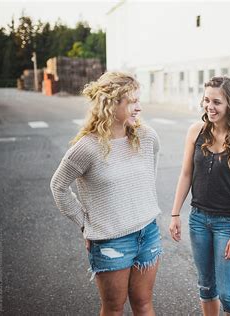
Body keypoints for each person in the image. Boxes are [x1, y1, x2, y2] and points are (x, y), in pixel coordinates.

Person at [50, 72, 162, 316]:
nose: (139, 108)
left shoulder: (147, 136)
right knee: (113, 308)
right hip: (111, 240)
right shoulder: (86, 148)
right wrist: (84, 225)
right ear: (112, 104)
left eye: (138, 100)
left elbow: (147, 179)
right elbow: (58, 186)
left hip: (148, 232)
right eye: (132, 102)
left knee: (144, 304)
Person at [169, 76, 230, 316]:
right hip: (198, 220)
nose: (210, 106)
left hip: (227, 223)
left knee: (228, 293)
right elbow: (186, 173)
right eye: (206, 100)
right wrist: (175, 213)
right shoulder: (196, 131)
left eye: (216, 102)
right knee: (206, 286)